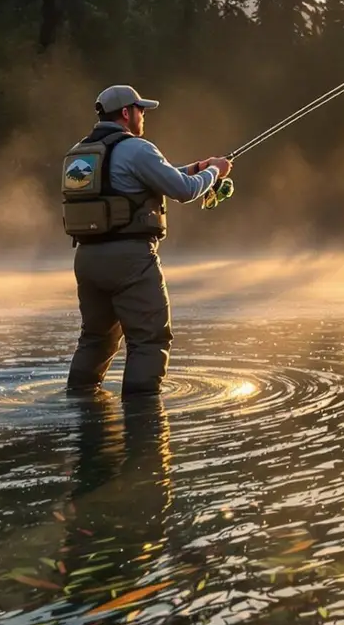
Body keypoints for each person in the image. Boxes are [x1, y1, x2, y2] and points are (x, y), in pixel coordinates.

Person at [65, 85, 231, 394]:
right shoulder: (138, 148)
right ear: (126, 113)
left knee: (96, 339)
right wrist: (213, 173)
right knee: (150, 340)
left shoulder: (82, 153)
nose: (144, 115)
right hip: (129, 259)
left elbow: (134, 182)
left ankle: (79, 403)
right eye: (141, 109)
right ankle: (142, 417)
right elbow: (183, 191)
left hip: (87, 259)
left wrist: (196, 168)